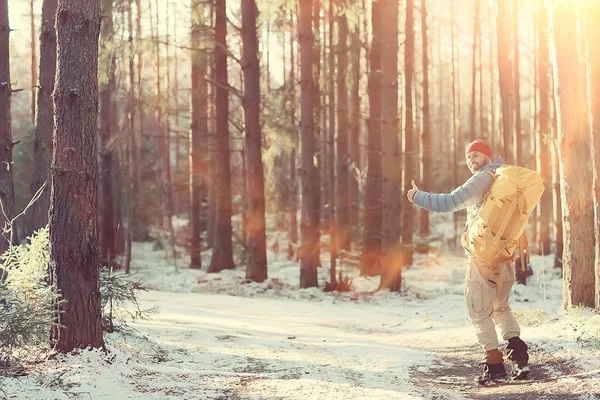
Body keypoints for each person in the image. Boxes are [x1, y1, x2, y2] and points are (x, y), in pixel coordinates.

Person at [407, 139, 529, 385]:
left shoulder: (483, 179)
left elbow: (450, 202)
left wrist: (417, 196)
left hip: (482, 259)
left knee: (478, 312)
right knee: (500, 307)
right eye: (468, 157)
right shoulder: (505, 179)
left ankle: (494, 367)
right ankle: (519, 356)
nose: (472, 160)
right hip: (505, 256)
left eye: (476, 155)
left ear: (487, 156)